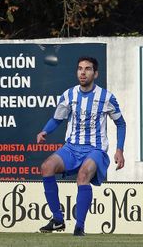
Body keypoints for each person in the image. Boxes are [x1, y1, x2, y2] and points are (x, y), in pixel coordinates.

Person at [37, 56, 126, 236]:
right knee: (47, 167)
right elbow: (57, 118)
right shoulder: (69, 95)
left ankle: (79, 227)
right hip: (71, 148)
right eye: (80, 68)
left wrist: (119, 150)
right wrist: (45, 131)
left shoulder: (106, 97)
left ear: (96, 73)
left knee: (83, 175)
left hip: (95, 149)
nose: (83, 72)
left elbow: (121, 123)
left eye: (87, 69)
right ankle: (57, 220)